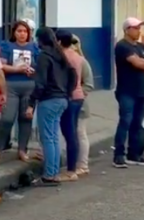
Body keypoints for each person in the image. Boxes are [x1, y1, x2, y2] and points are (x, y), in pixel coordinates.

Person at [24, 27, 75, 185]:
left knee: (47, 138)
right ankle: (53, 172)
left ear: (40, 39)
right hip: (62, 99)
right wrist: (67, 93)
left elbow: (41, 83)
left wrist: (31, 103)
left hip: (49, 100)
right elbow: (72, 75)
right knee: (53, 137)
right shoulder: (60, 55)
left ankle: (49, 175)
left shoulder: (44, 56)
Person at [113, 17, 144, 168]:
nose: (138, 31)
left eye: (139, 28)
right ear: (127, 30)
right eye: (135, 28)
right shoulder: (122, 46)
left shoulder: (142, 47)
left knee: (137, 124)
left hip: (142, 91)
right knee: (125, 121)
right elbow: (137, 63)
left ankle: (134, 154)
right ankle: (119, 155)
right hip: (127, 91)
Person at [0, 20, 38, 161]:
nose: (22, 34)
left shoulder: (34, 47)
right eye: (19, 31)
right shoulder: (7, 46)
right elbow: (1, 66)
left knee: (25, 118)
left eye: (25, 31)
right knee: (7, 118)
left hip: (29, 85)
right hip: (11, 85)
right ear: (14, 32)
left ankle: (22, 149)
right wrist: (17, 69)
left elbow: (40, 66)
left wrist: (33, 70)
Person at [55, 30, 85, 182]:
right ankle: (73, 167)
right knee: (72, 132)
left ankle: (71, 170)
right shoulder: (77, 57)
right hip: (78, 97)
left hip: (69, 96)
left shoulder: (62, 57)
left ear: (59, 41)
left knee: (69, 134)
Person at [71, 34, 95, 175]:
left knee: (80, 133)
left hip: (79, 103)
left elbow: (89, 84)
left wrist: (79, 95)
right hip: (65, 102)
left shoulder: (82, 61)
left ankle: (83, 164)